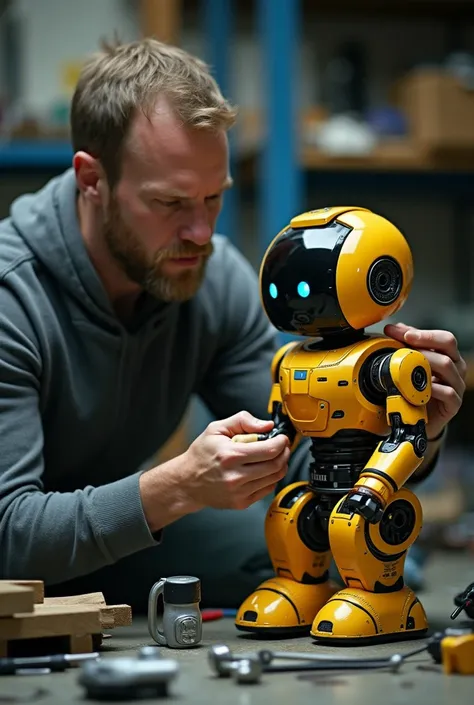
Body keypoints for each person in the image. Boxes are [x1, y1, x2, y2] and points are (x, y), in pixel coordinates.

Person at [0, 37, 466, 611]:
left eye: (213, 198)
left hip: (114, 529)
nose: (202, 234)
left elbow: (310, 459)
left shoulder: (214, 281)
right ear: (91, 180)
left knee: (330, 557)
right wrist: (177, 486)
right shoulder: (11, 299)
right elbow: (8, 532)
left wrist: (419, 423)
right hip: (17, 547)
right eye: (171, 204)